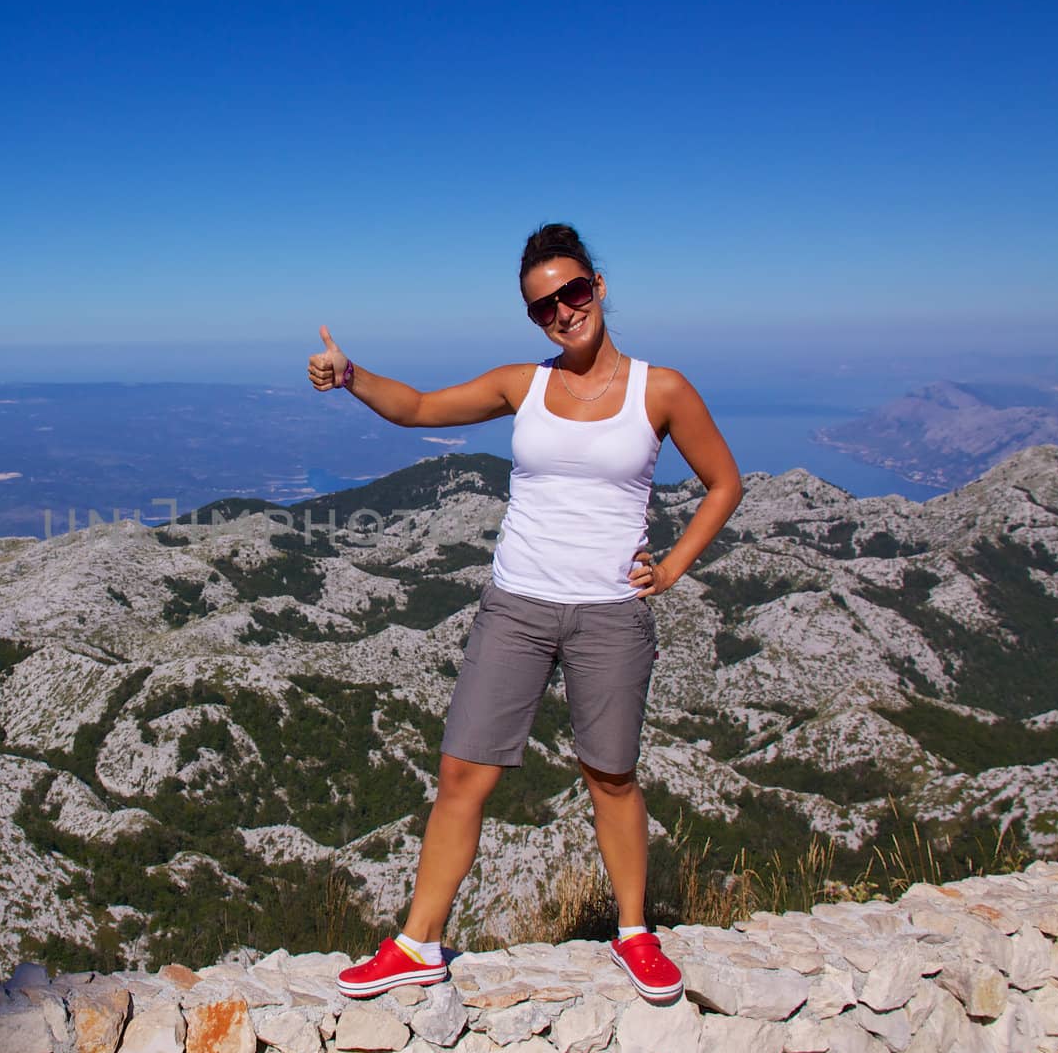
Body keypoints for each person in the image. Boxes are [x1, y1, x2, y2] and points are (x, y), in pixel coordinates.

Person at [304, 223, 742, 1004]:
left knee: (610, 774)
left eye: (573, 292)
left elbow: (723, 483)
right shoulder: (523, 383)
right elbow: (420, 407)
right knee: (461, 771)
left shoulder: (661, 389)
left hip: (610, 612)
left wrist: (671, 567)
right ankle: (418, 942)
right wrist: (352, 375)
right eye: (544, 306)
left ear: (599, 286)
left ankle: (635, 934)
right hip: (516, 605)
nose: (563, 312)